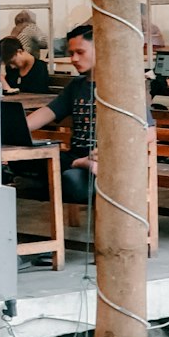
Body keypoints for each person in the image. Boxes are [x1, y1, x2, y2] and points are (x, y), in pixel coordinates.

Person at [26, 24, 98, 203]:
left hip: (102, 163)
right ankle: (77, 165)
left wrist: (109, 152)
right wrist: (15, 129)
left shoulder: (122, 87)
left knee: (71, 181)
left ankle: (34, 184)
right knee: (22, 159)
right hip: (75, 157)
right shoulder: (76, 86)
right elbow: (47, 112)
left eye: (80, 52)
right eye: (71, 52)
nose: (74, 58)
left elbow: (148, 131)